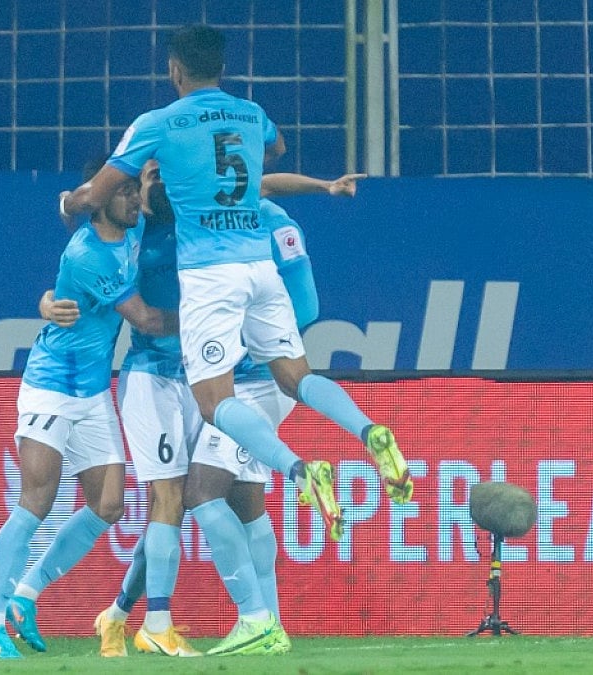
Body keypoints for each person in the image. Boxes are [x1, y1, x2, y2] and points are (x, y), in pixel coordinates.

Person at [59, 24, 411, 655]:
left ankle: (299, 472)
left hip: (213, 278)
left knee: (214, 403)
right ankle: (367, 431)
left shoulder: (158, 123)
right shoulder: (250, 114)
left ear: (174, 69)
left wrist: (72, 200)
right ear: (221, 65)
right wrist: (310, 181)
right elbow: (270, 155)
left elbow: (98, 191)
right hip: (259, 268)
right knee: (297, 378)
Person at [47, 169, 372, 657]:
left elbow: (265, 185)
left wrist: (323, 188)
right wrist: (49, 300)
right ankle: (164, 621)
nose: (148, 189)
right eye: (143, 181)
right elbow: (84, 269)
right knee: (185, 500)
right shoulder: (134, 230)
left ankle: (239, 621)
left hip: (217, 380)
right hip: (158, 377)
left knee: (200, 499)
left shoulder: (213, 215)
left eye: (155, 179)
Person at [0, 160, 177, 660]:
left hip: (92, 392)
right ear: (101, 201)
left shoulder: (133, 228)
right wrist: (213, 319)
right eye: (124, 192)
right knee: (36, 499)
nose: (134, 200)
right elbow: (146, 319)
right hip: (51, 387)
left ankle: (25, 596)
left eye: (133, 191)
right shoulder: (88, 255)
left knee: (109, 505)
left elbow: (81, 205)